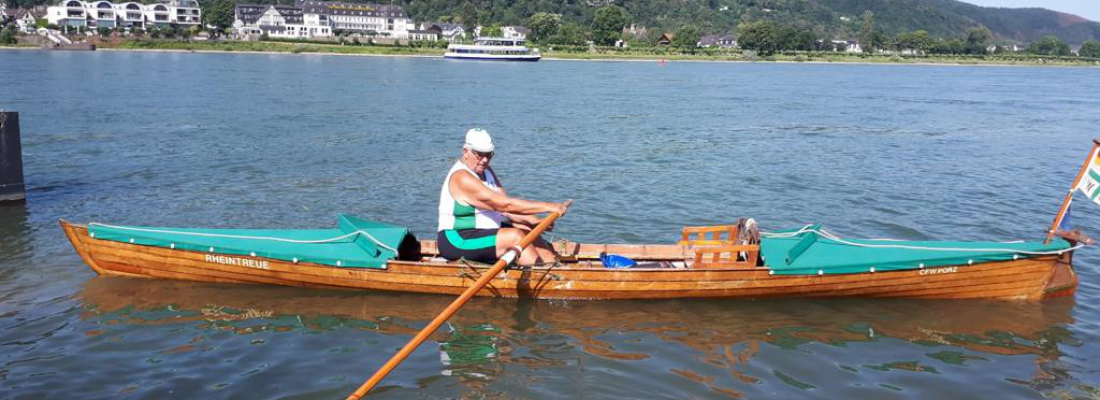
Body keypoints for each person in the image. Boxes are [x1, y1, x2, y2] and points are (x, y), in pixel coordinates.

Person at [437, 128, 570, 266]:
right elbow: (505, 204)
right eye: (479, 155)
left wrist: (533, 221)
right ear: (465, 151)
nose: (484, 160)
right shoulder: (462, 177)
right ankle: (544, 279)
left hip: (483, 232)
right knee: (515, 236)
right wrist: (548, 206)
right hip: (457, 239)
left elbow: (505, 211)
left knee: (529, 231)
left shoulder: (486, 170)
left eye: (489, 155)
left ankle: (556, 271)